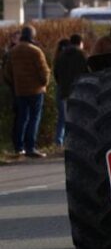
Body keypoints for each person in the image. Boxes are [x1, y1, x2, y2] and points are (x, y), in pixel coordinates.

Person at [2, 26, 50, 157]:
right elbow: (44, 70)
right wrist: (44, 83)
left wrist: (15, 84)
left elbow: (7, 72)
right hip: (36, 90)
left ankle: (19, 147)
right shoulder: (35, 50)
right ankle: (31, 147)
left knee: (22, 118)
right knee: (34, 118)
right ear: (32, 36)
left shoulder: (13, 51)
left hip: (20, 90)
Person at [53, 34, 89, 148]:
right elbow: (88, 72)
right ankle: (77, 142)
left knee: (64, 118)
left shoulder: (61, 55)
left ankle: (60, 141)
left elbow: (56, 72)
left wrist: (61, 84)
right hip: (79, 90)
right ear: (80, 43)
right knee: (79, 117)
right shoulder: (83, 55)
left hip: (63, 90)